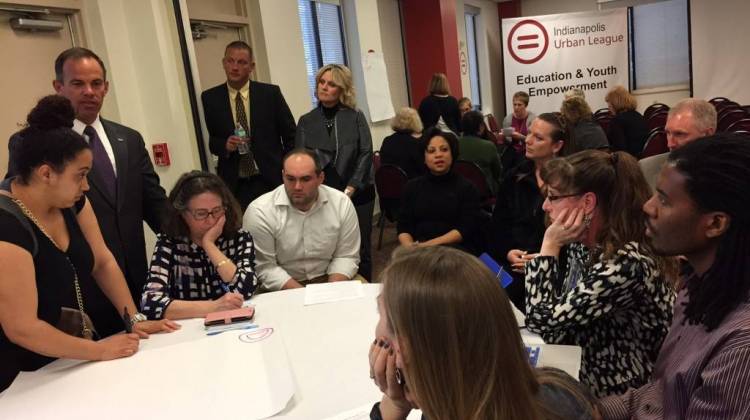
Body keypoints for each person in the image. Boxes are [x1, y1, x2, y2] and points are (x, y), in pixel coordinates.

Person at [0, 96, 178, 392]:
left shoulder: (73, 202)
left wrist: (132, 318)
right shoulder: (6, 226)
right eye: (81, 176)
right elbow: (22, 328)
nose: (86, 186)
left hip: (64, 359)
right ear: (46, 174)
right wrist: (101, 350)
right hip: (18, 376)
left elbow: (102, 261)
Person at [5, 47, 168, 337]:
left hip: (128, 284)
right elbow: (27, 208)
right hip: (69, 302)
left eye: (96, 83)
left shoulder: (127, 139)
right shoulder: (30, 147)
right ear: (59, 87)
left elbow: (152, 208)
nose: (89, 92)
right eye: (78, 83)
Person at [598, 133, 750, 419]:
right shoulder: (697, 286)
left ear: (715, 223)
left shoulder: (741, 345)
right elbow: (664, 393)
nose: (648, 207)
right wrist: (587, 410)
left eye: (665, 201)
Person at [368, 246, 596, 420]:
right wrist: (398, 401)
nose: (377, 331)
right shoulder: (556, 389)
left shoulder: (447, 409)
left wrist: (394, 407)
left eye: (381, 315)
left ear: (407, 349)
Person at [525, 150, 675, 398]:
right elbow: (555, 325)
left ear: (587, 203)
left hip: (624, 394)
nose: (545, 206)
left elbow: (541, 322)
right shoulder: (583, 244)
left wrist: (549, 246)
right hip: (585, 368)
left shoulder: (627, 263)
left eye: (553, 197)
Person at [141, 171, 258, 320]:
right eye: (201, 214)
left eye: (217, 211)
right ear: (182, 214)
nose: (211, 221)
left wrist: (209, 245)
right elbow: (150, 304)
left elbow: (247, 288)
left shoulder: (239, 237)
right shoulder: (169, 243)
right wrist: (214, 307)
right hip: (187, 331)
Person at [295, 64, 374, 281]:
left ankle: (365, 290)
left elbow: (366, 152)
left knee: (361, 248)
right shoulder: (306, 120)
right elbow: (301, 159)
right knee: (329, 248)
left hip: (358, 191)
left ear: (342, 89)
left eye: (331, 84)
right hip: (323, 194)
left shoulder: (356, 116)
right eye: (322, 82)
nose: (324, 87)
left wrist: (352, 187)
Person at [243, 149, 360, 291]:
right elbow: (266, 268)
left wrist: (331, 292)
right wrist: (304, 296)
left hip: (331, 277)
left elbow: (346, 256)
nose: (297, 187)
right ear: (283, 176)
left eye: (305, 179)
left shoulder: (341, 203)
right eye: (290, 179)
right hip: (283, 284)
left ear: (320, 178)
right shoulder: (260, 211)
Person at [202, 41, 296, 211]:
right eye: (230, 61)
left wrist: (288, 171)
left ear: (251, 66)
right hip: (235, 182)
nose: (235, 67)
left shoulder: (270, 94)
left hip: (270, 178)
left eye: (241, 62)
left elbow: (291, 136)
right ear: (224, 63)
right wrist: (225, 145)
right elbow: (212, 142)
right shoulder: (210, 98)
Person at [491, 113, 565, 312]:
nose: (528, 140)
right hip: (511, 262)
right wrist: (508, 252)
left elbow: (574, 237)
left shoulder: (569, 183)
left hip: (554, 266)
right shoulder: (514, 176)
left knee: (509, 295)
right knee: (482, 285)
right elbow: (498, 225)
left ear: (556, 146)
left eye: (538, 138)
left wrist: (544, 258)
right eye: (529, 133)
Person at [397, 128, 480, 252]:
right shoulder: (411, 187)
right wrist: (409, 248)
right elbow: (403, 227)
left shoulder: (467, 188)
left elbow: (464, 230)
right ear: (424, 158)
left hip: (456, 252)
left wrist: (425, 246)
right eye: (431, 151)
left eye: (444, 149)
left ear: (453, 154)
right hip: (418, 252)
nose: (438, 155)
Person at [639, 98, 716, 191]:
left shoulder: (728, 173)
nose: (670, 144)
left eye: (679, 134)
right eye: (668, 133)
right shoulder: (646, 169)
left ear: (707, 134)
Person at [458, 110, 502, 195]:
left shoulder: (454, 145)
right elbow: (498, 173)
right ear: (481, 127)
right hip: (485, 192)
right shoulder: (489, 146)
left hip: (460, 191)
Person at [379, 107, 425, 179]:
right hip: (413, 186)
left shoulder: (387, 141)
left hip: (389, 185)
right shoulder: (416, 143)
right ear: (416, 122)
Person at [604, 86, 648, 158]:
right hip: (644, 158)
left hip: (628, 162)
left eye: (610, 105)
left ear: (616, 104)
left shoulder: (616, 121)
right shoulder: (638, 115)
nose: (609, 108)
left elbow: (620, 151)